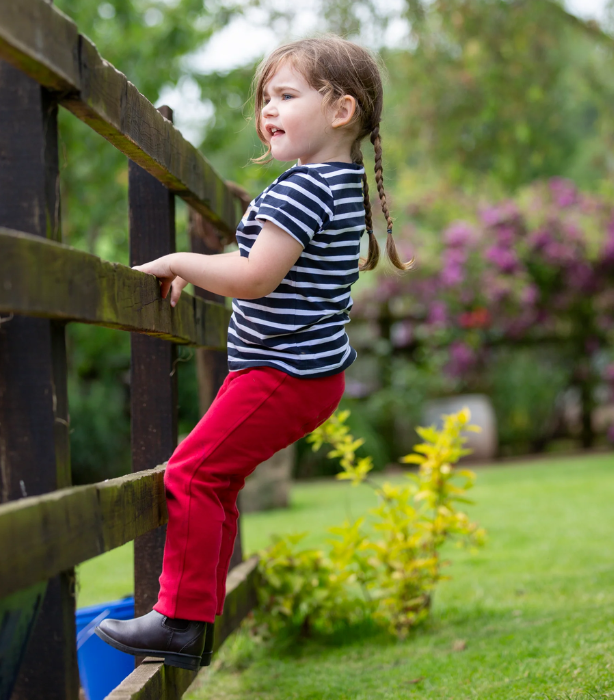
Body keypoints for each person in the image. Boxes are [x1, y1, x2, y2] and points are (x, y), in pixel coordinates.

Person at [95, 34, 410, 671]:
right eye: (265, 97)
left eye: (286, 95)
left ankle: (180, 623)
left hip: (280, 372)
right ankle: (191, 620)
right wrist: (202, 269)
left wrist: (181, 259)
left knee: (191, 473)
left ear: (340, 110)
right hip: (302, 376)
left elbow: (254, 277)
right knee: (218, 479)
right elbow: (259, 265)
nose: (267, 109)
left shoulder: (301, 191)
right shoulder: (335, 184)